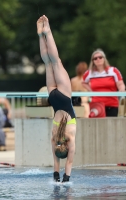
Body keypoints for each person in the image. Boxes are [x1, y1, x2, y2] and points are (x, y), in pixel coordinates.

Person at [36, 15, 76, 182]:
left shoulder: (70, 138)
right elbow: (56, 160)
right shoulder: (54, 138)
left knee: (56, 61)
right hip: (53, 96)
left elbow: (70, 161)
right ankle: (40, 35)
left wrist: (66, 177)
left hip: (65, 97)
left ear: (66, 148)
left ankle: (48, 31)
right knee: (47, 63)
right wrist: (56, 176)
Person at [82, 49, 125, 117]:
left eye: (100, 57)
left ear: (104, 58)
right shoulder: (89, 73)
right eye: (95, 58)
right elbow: (83, 82)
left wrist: (121, 90)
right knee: (97, 126)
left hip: (112, 104)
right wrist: (91, 90)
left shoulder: (113, 70)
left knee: (111, 125)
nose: (98, 59)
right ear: (93, 61)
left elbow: (120, 84)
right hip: (97, 104)